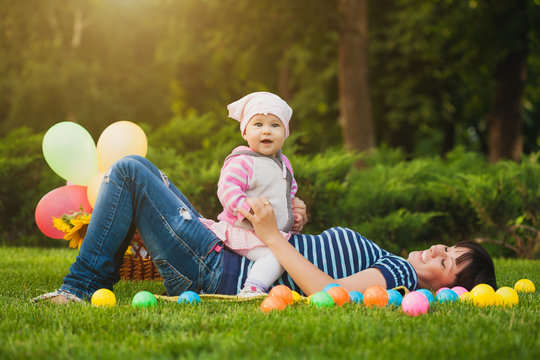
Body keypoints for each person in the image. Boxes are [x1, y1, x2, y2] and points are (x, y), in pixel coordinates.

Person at [31, 155, 497, 304]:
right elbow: (321, 261)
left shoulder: (400, 275)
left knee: (131, 170)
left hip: (220, 270)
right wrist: (294, 222)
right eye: (448, 246)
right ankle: (90, 278)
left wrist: (274, 236)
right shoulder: (394, 265)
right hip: (226, 253)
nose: (438, 249)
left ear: (454, 286)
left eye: (450, 259)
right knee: (146, 174)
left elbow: (332, 294)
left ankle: (80, 286)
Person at [199, 91, 301, 297]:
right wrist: (247, 209)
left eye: (275, 125)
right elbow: (227, 189)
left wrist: (294, 216)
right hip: (244, 231)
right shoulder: (243, 161)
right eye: (258, 125)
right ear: (245, 132)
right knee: (278, 257)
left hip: (269, 233)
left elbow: (288, 195)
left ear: (285, 133)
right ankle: (252, 288)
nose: (267, 131)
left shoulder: (284, 164)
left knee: (286, 252)